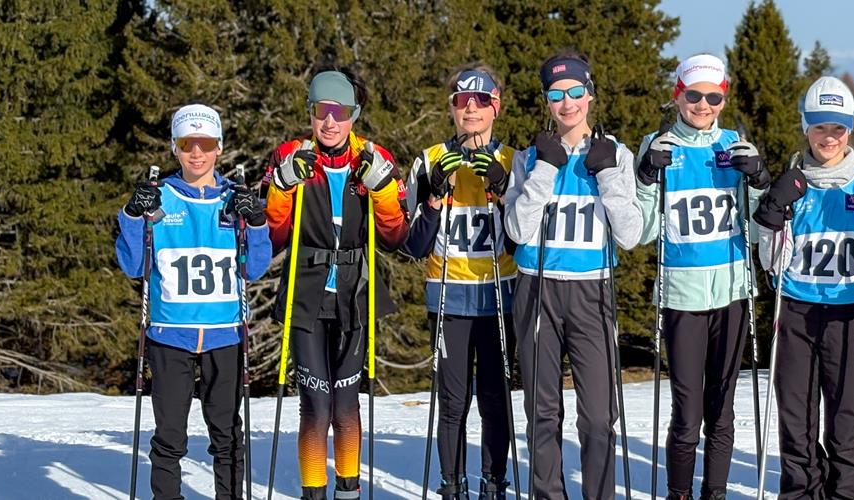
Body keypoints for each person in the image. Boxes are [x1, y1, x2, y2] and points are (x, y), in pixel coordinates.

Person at [753, 76, 854, 499]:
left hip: (849, 315)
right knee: (797, 421)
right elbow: (771, 262)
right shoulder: (792, 185)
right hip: (796, 314)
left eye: (838, 128)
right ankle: (801, 493)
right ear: (806, 125)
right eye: (821, 126)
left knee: (845, 423)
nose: (829, 137)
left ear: (850, 130)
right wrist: (770, 215)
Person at [501, 49, 643, 499]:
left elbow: (631, 234)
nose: (567, 103)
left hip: (591, 290)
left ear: (590, 95)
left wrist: (607, 177)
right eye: (557, 95)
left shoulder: (615, 153)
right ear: (546, 102)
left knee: (599, 415)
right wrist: (544, 169)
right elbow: (517, 229)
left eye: (576, 92)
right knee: (542, 410)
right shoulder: (529, 157)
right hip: (537, 287)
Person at [263, 64, 408, 500]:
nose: (330, 121)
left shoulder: (375, 158)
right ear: (310, 111)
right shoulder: (290, 154)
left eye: (340, 111)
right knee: (317, 405)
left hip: (355, 294)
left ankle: (348, 490)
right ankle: (313, 491)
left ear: (354, 113)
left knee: (346, 405)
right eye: (321, 110)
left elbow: (395, 236)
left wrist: (382, 191)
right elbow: (273, 234)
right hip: (305, 294)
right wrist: (283, 184)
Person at [116, 104, 272, 499]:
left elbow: (254, 268)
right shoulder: (160, 197)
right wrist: (133, 217)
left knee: (227, 435)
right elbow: (134, 266)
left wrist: (256, 222)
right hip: (171, 336)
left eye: (205, 143)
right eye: (188, 144)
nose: (196, 153)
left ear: (219, 148)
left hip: (224, 336)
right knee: (169, 437)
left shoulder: (234, 198)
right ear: (175, 147)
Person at [633, 54, 769, 500]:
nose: (703, 104)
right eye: (694, 95)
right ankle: (679, 494)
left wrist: (759, 180)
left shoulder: (735, 144)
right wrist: (648, 175)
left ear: (723, 99)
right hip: (682, 297)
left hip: (731, 293)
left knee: (722, 412)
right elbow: (645, 230)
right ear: (678, 95)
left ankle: (715, 493)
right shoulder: (659, 144)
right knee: (687, 413)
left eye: (713, 96)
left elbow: (758, 224)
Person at [402, 64, 517, 499]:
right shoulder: (429, 160)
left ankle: (493, 483)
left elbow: (524, 241)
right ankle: (452, 485)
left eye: (481, 100)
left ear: (496, 108)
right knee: (452, 401)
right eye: (462, 100)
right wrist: (433, 197)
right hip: (448, 297)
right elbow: (412, 246)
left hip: (498, 296)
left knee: (494, 398)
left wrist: (503, 191)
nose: (471, 108)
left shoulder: (513, 160)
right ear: (451, 108)